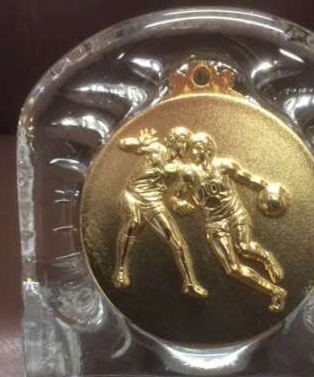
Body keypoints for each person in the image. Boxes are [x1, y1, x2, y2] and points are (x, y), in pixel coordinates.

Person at [170, 132, 286, 312]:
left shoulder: (224, 165)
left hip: (235, 213)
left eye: (197, 148)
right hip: (214, 222)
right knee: (232, 269)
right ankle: (276, 292)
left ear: (207, 149)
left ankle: (267, 258)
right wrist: (178, 203)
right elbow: (175, 196)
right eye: (191, 149)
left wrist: (267, 186)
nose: (192, 152)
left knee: (244, 247)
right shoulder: (189, 174)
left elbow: (247, 178)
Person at [112, 127, 207, 298]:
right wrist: (140, 142)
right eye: (182, 141)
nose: (184, 146)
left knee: (177, 242)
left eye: (187, 143)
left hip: (154, 202)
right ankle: (120, 270)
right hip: (133, 195)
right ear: (173, 140)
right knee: (134, 222)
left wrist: (179, 202)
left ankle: (190, 283)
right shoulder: (156, 148)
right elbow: (123, 144)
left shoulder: (181, 168)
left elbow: (178, 195)